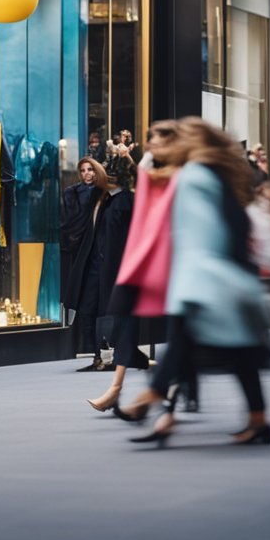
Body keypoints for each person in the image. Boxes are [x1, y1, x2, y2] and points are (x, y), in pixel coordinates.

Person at [121, 117, 270, 447]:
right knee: (236, 352)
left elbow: (203, 233)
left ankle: (152, 398)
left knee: (190, 342)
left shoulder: (195, 176)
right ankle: (257, 420)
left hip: (204, 278)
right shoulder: (212, 174)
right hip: (217, 276)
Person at [86, 122, 177, 418]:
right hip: (141, 262)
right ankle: (117, 387)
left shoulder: (176, 174)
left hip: (168, 260)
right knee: (127, 321)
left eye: (159, 140)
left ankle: (174, 390)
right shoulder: (138, 180)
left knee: (185, 332)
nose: (153, 145)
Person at [62, 157, 126, 367]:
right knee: (87, 308)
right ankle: (96, 355)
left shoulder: (109, 196)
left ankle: (107, 356)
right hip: (87, 261)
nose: (87, 173)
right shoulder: (77, 194)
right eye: (82, 170)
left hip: (107, 261)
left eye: (90, 169)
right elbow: (72, 224)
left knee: (105, 309)